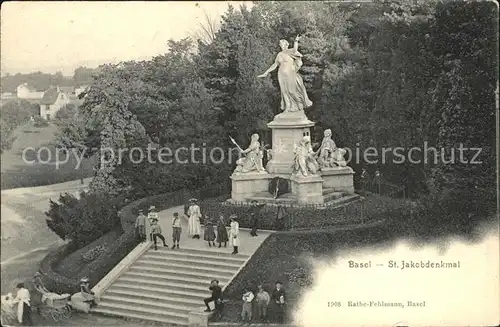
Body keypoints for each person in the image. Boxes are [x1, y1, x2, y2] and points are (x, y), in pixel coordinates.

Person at [258, 35, 312, 113]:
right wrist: (266, 72)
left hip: (290, 74)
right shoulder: (279, 54)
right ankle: (288, 107)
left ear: (286, 45)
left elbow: (295, 49)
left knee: (291, 91)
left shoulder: (290, 51)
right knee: (284, 92)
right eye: (280, 45)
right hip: (281, 75)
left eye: (282, 44)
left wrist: (296, 41)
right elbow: (275, 65)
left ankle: (300, 104)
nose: (281, 46)